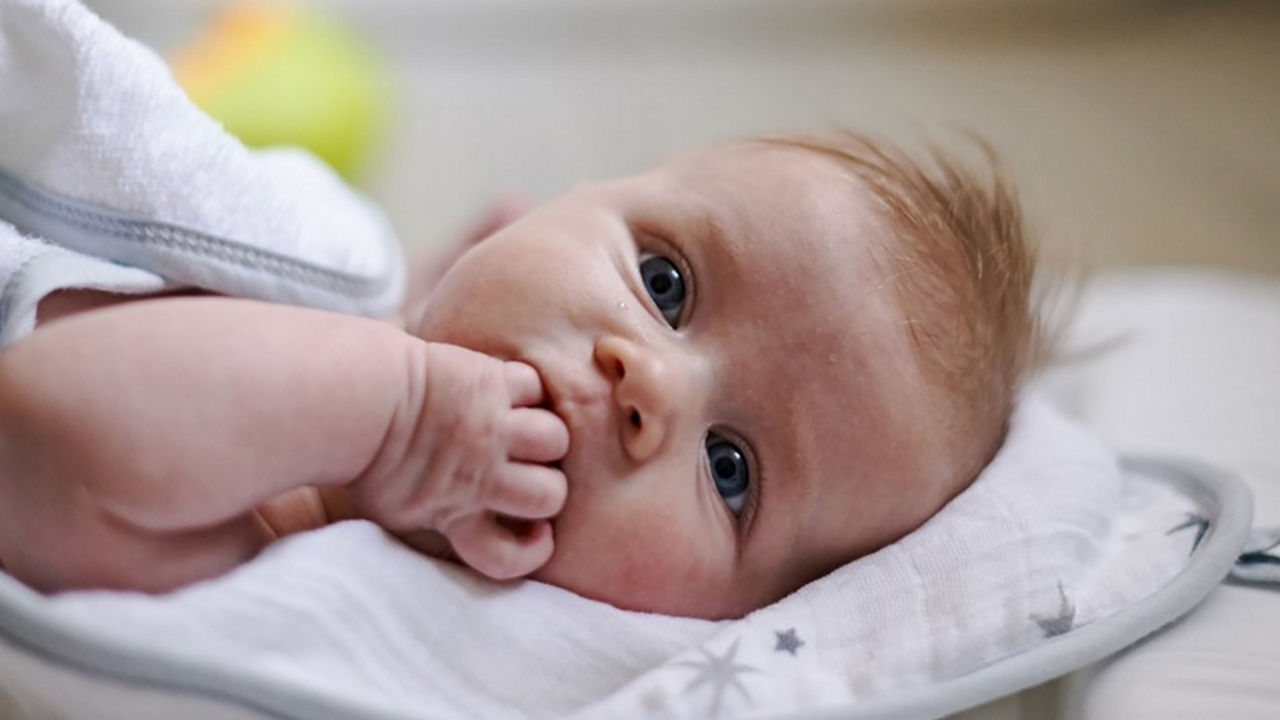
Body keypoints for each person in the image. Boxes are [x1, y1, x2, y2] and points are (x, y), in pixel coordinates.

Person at [0, 132, 1041, 620]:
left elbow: (34, 446)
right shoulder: (345, 287)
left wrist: (403, 414)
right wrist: (420, 294)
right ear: (560, 200)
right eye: (666, 282)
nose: (651, 388)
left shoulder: (313, 571)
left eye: (730, 472)